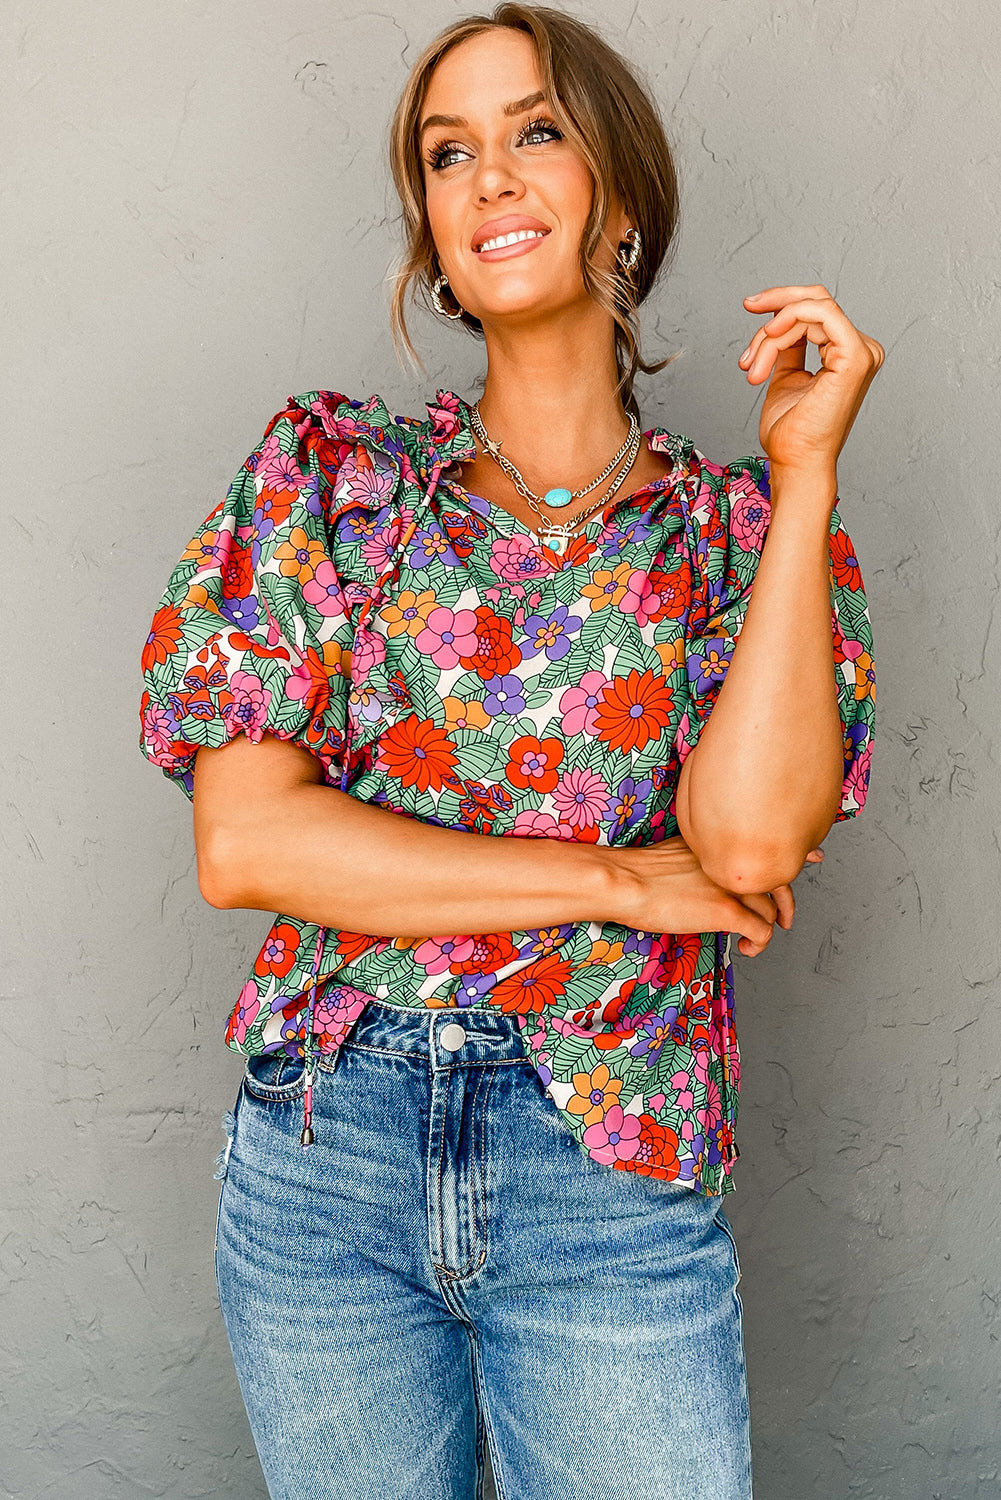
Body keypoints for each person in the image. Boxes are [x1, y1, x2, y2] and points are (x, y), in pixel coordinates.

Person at [138, 5, 881, 1497]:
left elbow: (744, 851)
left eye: (534, 130)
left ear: (616, 186)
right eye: (445, 151)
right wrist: (613, 880)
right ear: (425, 226)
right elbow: (252, 847)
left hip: (604, 1164)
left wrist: (802, 477)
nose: (487, 176)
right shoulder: (332, 476)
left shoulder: (731, 533)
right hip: (325, 1150)